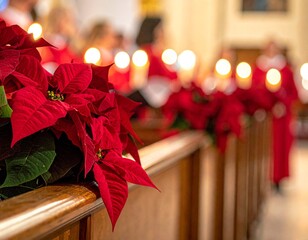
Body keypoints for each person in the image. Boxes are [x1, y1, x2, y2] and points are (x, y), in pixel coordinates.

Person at [252, 40, 299, 192]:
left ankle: (278, 179)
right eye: (269, 48)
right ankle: (259, 179)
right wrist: (267, 105)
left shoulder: (285, 70)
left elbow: (294, 93)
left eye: (274, 49)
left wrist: (282, 104)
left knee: (280, 148)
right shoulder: (259, 69)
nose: (271, 51)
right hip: (264, 117)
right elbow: (253, 90)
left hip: (281, 118)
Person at [39, 5, 83, 73]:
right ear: (60, 23)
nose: (74, 25)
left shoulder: (70, 47)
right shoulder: (45, 47)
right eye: (69, 21)